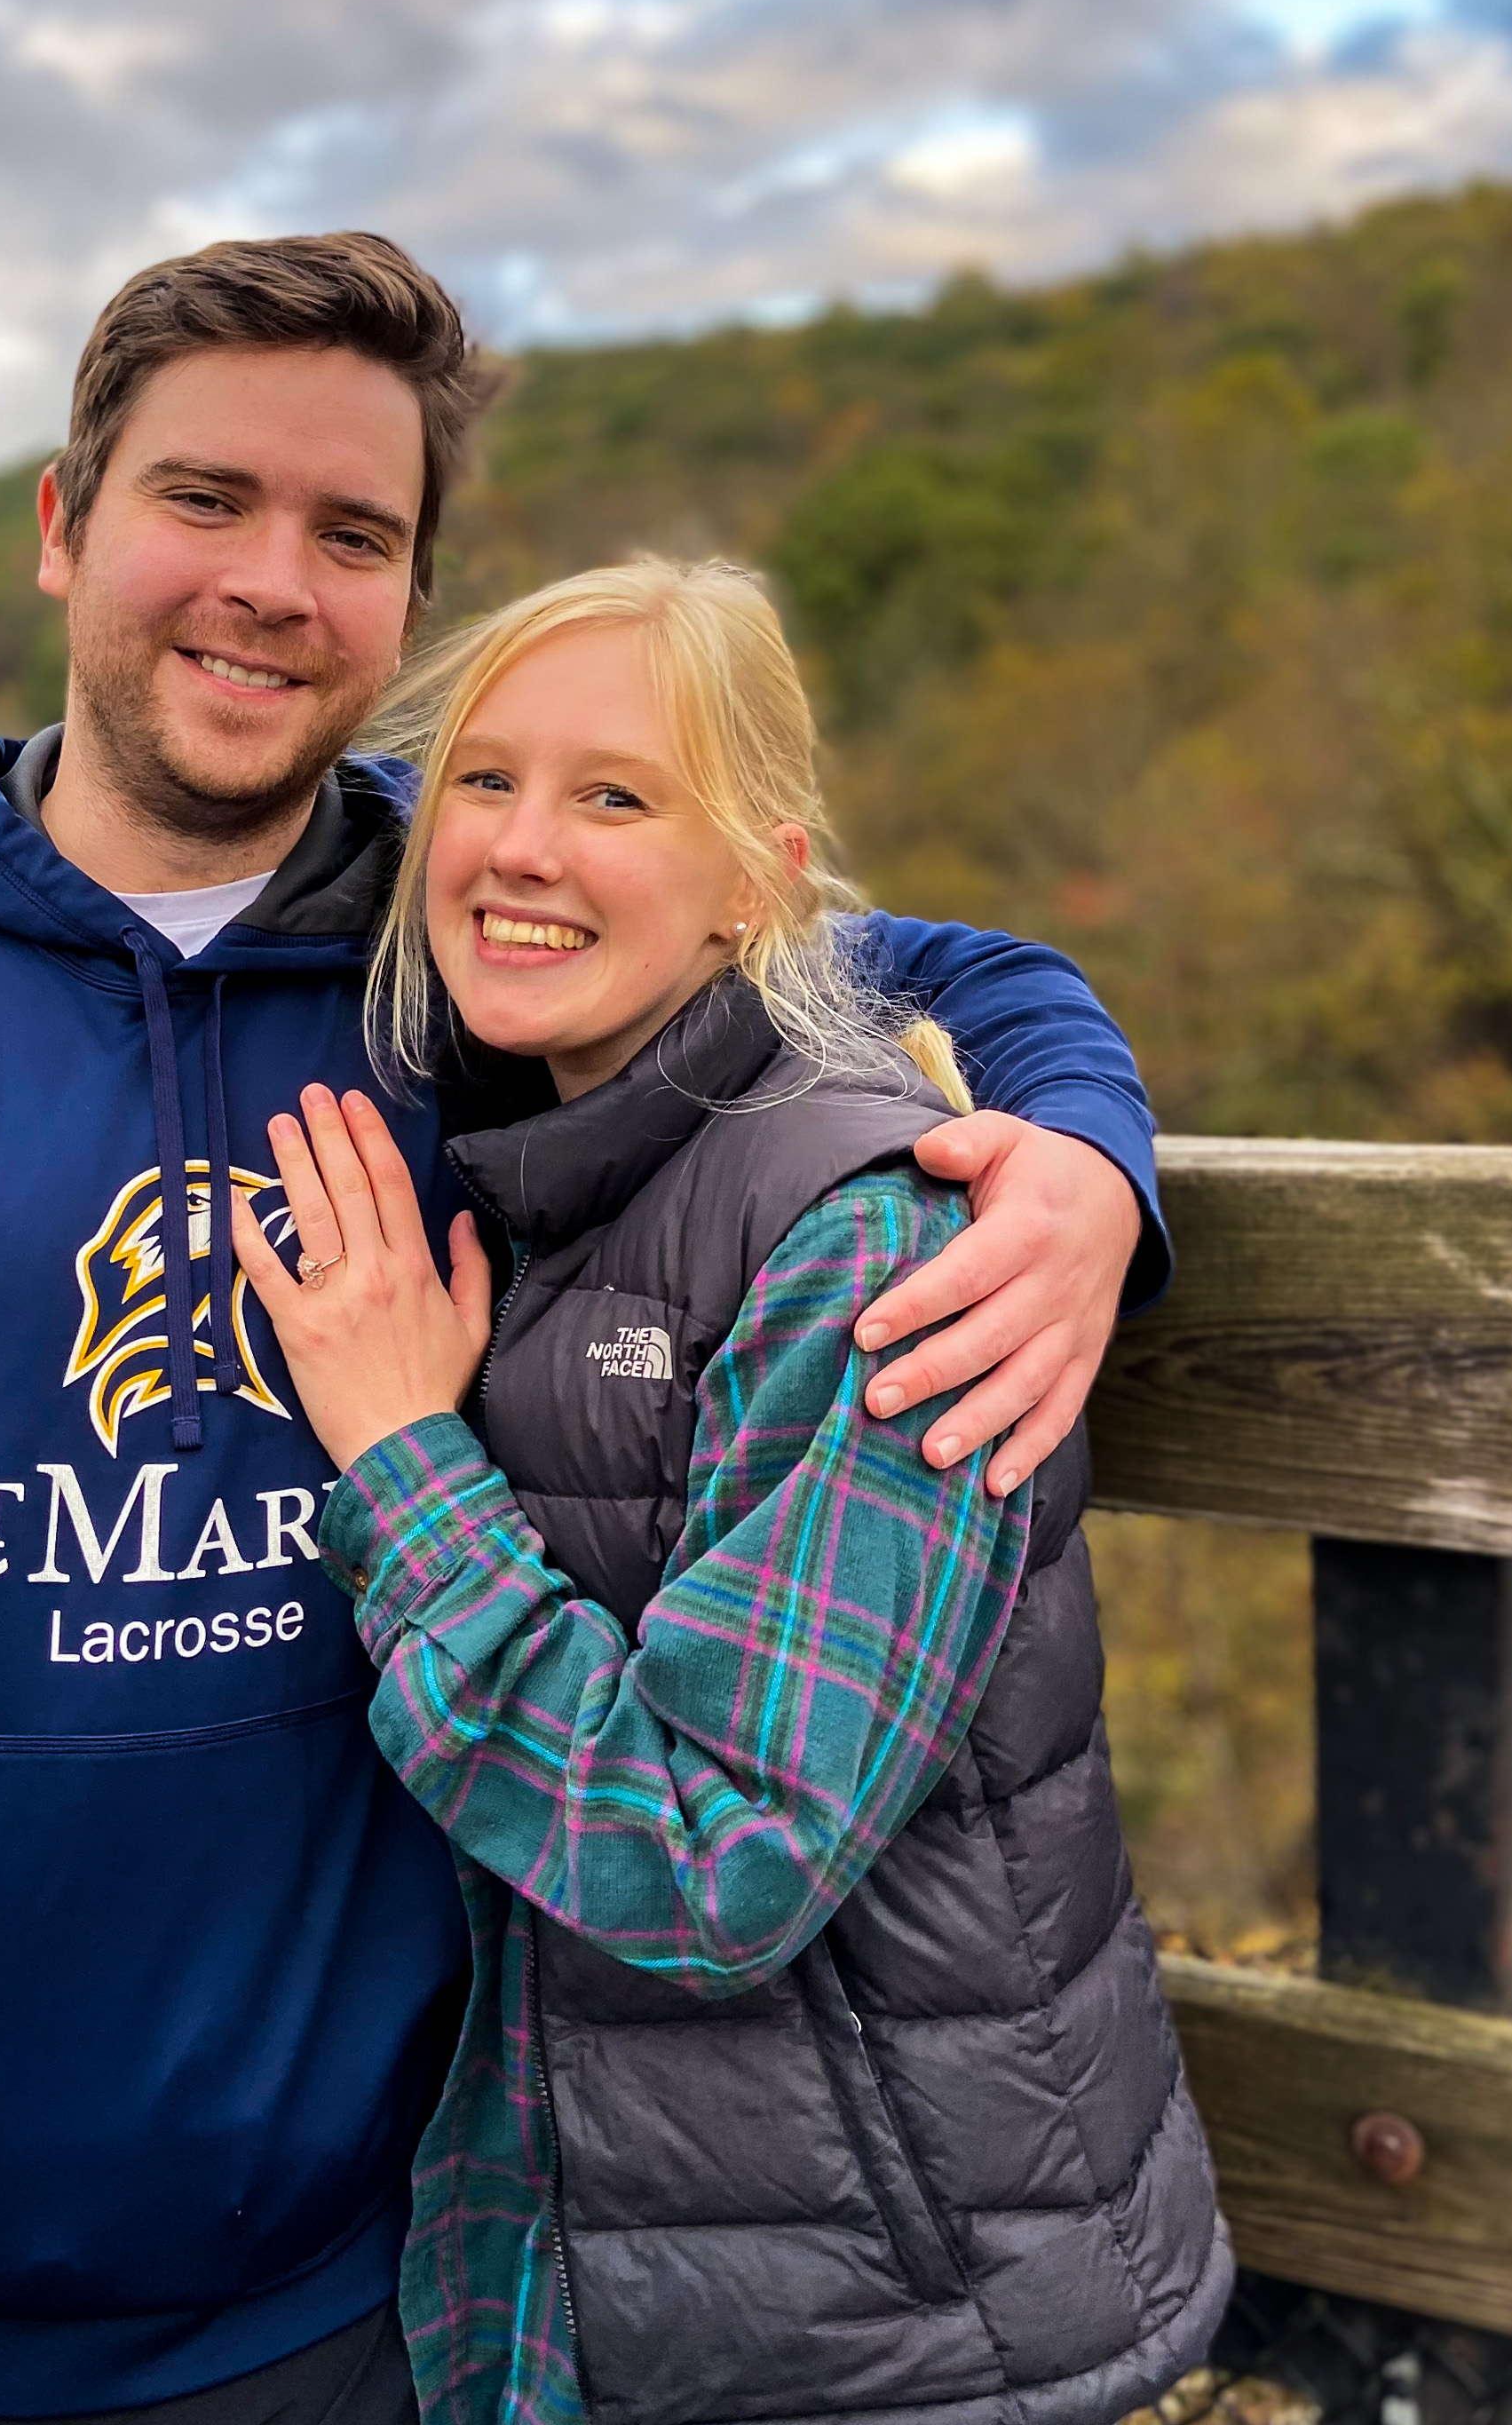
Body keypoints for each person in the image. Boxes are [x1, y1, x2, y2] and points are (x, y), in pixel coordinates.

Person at [0, 235, 1177, 2425]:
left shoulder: (482, 968)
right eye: (206, 501)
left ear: (402, 605)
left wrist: (1090, 1159)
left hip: (349, 2294)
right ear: (65, 525)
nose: (275, 580)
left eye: (354, 536)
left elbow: (925, 959)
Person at [230, 555, 1231, 2425]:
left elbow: (707, 1866)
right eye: (485, 780)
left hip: (895, 2335)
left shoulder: (872, 1245)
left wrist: (400, 1455)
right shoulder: (546, 1126)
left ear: (757, 878)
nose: (526, 845)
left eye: (617, 796)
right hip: (608, 2279)